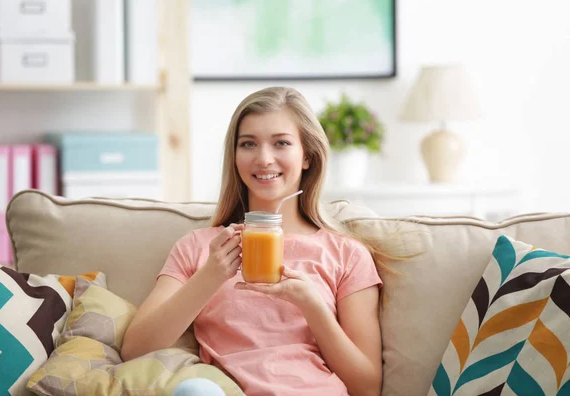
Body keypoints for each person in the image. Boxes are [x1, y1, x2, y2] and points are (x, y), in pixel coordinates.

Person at [121, 87, 383, 396]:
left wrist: (312, 305)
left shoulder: (346, 254)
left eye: (281, 143)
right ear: (234, 157)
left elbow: (367, 387)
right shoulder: (200, 247)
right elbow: (135, 349)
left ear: (308, 157)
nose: (264, 158)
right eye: (248, 144)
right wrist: (210, 276)